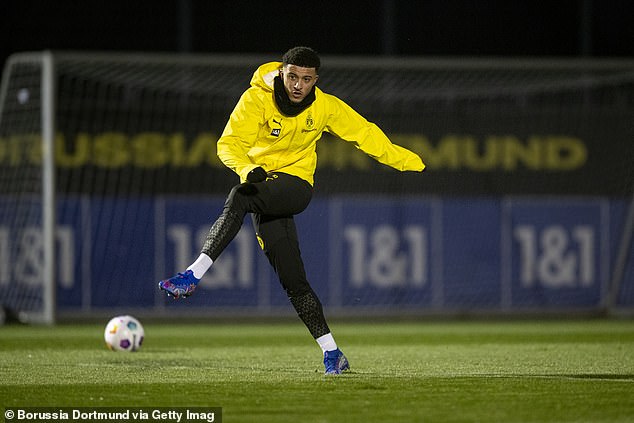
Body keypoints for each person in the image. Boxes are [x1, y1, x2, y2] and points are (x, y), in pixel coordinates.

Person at [158, 46, 425, 375]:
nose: (298, 85)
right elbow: (228, 143)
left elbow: (364, 133)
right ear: (281, 74)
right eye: (293, 76)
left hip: (296, 187)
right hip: (262, 186)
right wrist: (246, 169)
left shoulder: (325, 106)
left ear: (316, 80)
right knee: (294, 283)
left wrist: (404, 160)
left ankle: (192, 274)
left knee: (239, 197)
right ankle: (333, 354)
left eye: (307, 79)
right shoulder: (256, 99)